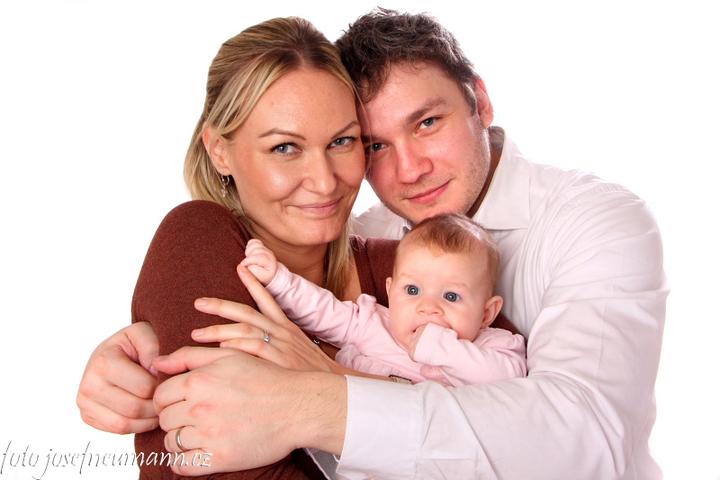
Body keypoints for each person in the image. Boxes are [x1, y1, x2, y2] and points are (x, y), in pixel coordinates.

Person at [77, 8, 667, 480]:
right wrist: (142, 341)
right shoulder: (374, 234)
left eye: (427, 122)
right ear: (220, 150)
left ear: (481, 103)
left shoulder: (594, 221)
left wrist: (321, 394)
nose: (409, 169)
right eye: (375, 144)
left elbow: (586, 440)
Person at [241, 214, 526, 387]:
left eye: (451, 296)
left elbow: (509, 383)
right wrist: (278, 279)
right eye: (412, 290)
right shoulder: (373, 323)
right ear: (390, 291)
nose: (428, 307)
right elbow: (322, 310)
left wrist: (438, 348)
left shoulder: (494, 347)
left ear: (487, 313)